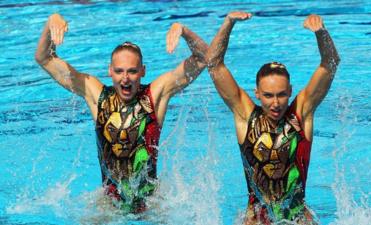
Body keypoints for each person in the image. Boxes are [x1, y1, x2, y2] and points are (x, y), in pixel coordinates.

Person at [35, 13, 208, 213]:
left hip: (151, 207)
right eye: (119, 71)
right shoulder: (97, 95)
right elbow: (44, 58)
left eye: (132, 71)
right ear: (110, 71)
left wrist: (184, 31)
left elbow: (204, 58)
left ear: (143, 71)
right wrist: (51, 22)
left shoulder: (155, 96)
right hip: (109, 206)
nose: (125, 78)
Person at [206, 12, 340, 224]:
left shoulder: (302, 113)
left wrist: (321, 33)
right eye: (268, 96)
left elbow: (330, 62)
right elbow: (213, 64)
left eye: (281, 95)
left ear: (290, 91)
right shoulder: (245, 115)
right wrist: (228, 23)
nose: (275, 103)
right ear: (257, 93)